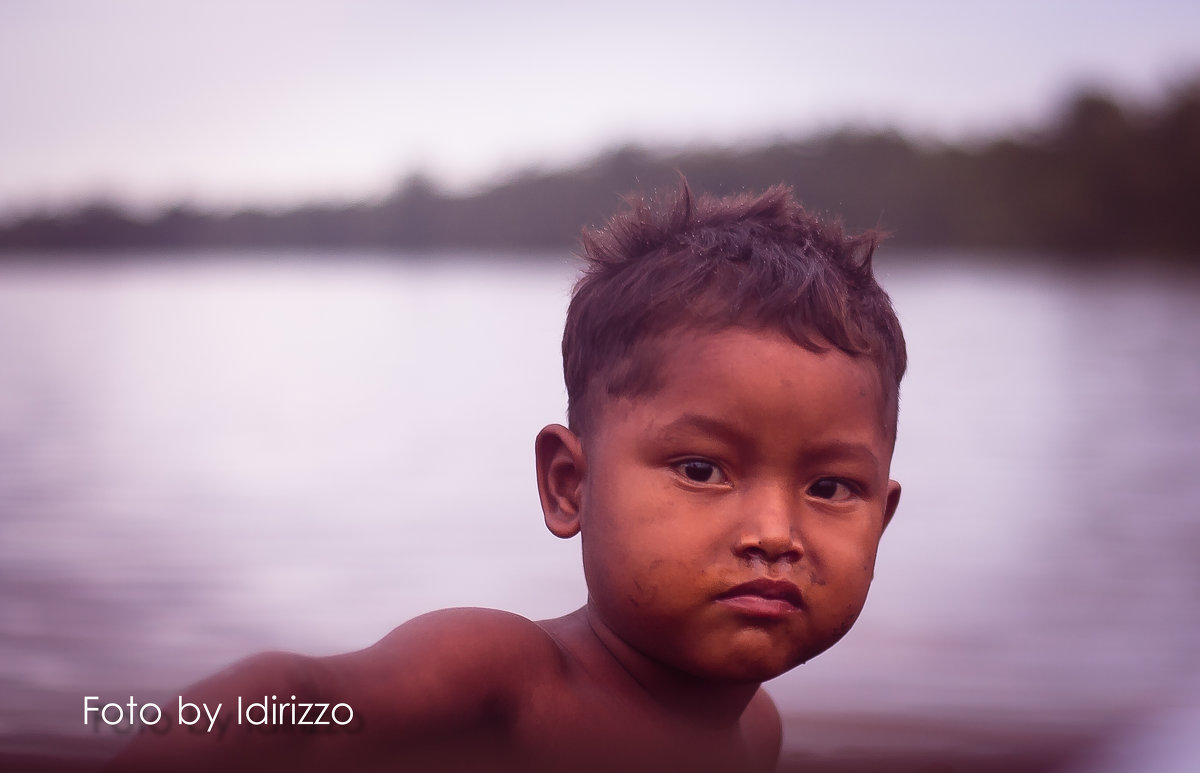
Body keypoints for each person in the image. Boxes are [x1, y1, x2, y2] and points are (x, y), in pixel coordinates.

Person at [107, 182, 906, 773]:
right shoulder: (501, 679)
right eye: (701, 469)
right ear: (569, 485)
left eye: (831, 487)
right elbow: (288, 698)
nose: (774, 532)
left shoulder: (755, 733)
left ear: (884, 518)